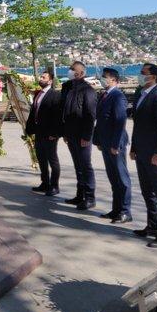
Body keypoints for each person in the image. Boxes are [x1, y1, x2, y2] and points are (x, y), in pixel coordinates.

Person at [130, 62, 157, 248]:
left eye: (143, 72)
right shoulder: (141, 94)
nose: (140, 75)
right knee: (147, 191)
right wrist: (133, 147)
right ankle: (153, 226)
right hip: (141, 152)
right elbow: (138, 126)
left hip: (155, 155)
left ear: (153, 77)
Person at [93, 68, 132, 223]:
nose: (102, 79)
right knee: (113, 178)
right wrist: (98, 140)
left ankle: (125, 212)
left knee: (122, 178)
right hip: (105, 142)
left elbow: (120, 121)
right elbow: (100, 120)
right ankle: (116, 209)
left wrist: (115, 144)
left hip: (115, 144)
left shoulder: (118, 96)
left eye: (105, 77)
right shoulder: (105, 95)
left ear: (114, 80)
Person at [61, 61, 97, 210]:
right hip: (71, 134)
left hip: (82, 135)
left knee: (85, 166)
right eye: (70, 68)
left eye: (73, 69)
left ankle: (90, 197)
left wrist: (87, 136)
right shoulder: (69, 88)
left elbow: (90, 115)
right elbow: (65, 112)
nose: (70, 71)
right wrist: (65, 133)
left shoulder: (88, 90)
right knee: (78, 166)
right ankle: (80, 195)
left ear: (81, 73)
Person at [25, 70, 62, 196]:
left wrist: (55, 133)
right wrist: (29, 129)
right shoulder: (38, 94)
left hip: (50, 134)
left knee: (52, 159)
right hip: (39, 132)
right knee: (41, 158)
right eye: (41, 77)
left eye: (43, 77)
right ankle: (45, 183)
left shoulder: (55, 95)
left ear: (50, 81)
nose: (40, 79)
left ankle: (54, 185)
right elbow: (33, 112)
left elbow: (57, 116)